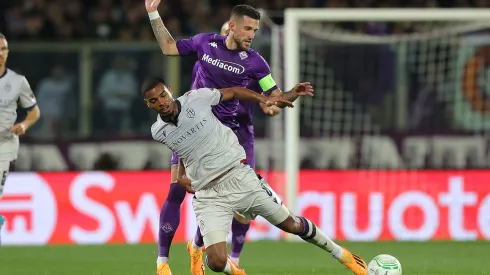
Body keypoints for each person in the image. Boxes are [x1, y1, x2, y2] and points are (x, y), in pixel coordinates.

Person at [144, 2, 312, 274]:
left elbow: (273, 98)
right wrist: (153, 13)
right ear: (230, 27)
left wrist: (286, 96)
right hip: (192, 130)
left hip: (233, 134)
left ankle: (213, 251)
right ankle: (162, 262)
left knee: (236, 203)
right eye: (248, 29)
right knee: (177, 186)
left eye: (255, 31)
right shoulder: (205, 44)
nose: (251, 35)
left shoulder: (256, 62)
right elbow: (168, 48)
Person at [142, 76, 368, 275]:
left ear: (170, 90)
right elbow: (183, 148)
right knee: (217, 262)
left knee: (292, 225)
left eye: (163, 95)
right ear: (148, 104)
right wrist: (180, 175)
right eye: (154, 100)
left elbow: (233, 92)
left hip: (240, 177)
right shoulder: (158, 131)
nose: (161, 102)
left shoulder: (197, 98)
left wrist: (263, 99)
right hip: (209, 195)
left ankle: (342, 255)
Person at [0, 33, 41, 238]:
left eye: (3, 49)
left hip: (4, 144)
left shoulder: (17, 81)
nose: (0, 54)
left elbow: (34, 112)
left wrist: (24, 124)